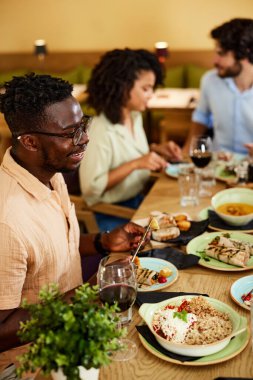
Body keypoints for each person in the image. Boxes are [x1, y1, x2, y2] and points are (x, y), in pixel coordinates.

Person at [0, 73, 149, 358]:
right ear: (30, 141)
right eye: (71, 133)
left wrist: (103, 243)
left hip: (78, 330)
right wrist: (83, 297)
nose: (86, 138)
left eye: (83, 125)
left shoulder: (49, 174)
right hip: (36, 362)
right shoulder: (6, 222)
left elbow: (49, 250)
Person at [79, 48, 182, 231]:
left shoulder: (134, 116)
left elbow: (127, 149)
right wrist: (137, 164)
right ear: (122, 87)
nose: (151, 94)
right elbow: (90, 188)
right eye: (145, 88)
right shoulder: (100, 130)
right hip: (111, 214)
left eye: (152, 88)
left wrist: (157, 149)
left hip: (138, 201)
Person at [183, 18, 253, 156]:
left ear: (245, 53)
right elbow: (201, 118)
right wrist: (185, 154)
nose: (214, 61)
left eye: (221, 54)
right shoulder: (210, 80)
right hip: (217, 164)